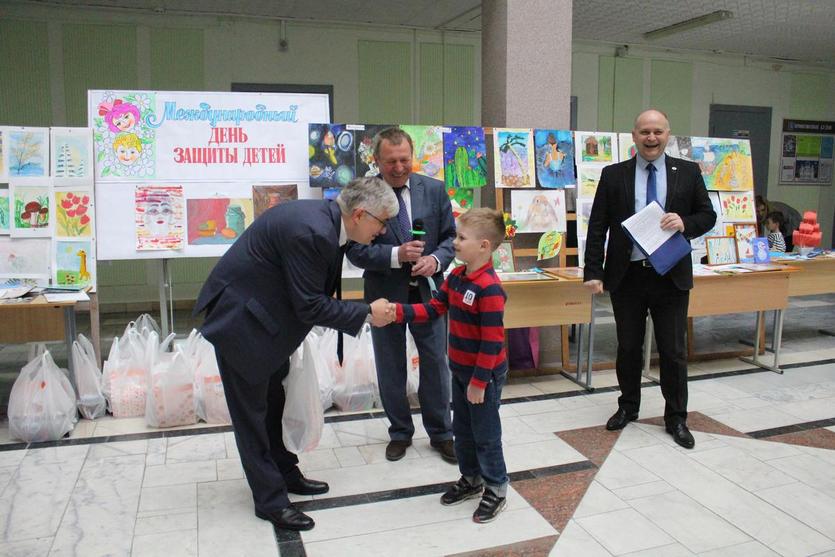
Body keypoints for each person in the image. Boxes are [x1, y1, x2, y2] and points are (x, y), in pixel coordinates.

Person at [194, 177, 398, 532]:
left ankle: (286, 473)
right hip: (243, 324)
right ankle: (270, 501)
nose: (383, 231)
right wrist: (367, 312)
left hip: (266, 321)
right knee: (252, 418)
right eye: (382, 223)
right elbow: (309, 305)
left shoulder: (328, 224)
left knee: (273, 403)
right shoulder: (313, 232)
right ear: (361, 214)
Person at [583, 109, 716, 449]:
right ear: (634, 135)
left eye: (657, 131)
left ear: (667, 134)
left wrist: (685, 222)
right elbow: (597, 225)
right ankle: (628, 407)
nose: (651, 137)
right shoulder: (613, 175)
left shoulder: (687, 172)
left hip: (670, 276)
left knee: (673, 352)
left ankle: (677, 418)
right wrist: (593, 272)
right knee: (628, 347)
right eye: (645, 131)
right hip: (627, 277)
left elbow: (707, 215)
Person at [390, 208, 509, 523]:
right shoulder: (456, 277)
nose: (454, 243)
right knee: (463, 431)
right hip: (460, 370)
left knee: (485, 434)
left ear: (484, 246)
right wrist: (397, 312)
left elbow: (492, 342)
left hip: (482, 376)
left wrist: (480, 382)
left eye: (461, 237)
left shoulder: (490, 289)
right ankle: (471, 479)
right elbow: (433, 308)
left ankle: (496, 488)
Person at [346, 127, 457, 463]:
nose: (398, 167)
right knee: (390, 365)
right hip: (384, 296)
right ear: (376, 161)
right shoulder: (363, 195)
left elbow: (451, 238)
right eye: (390, 161)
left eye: (404, 159)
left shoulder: (434, 190)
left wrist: (435, 259)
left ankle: (442, 433)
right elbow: (354, 249)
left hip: (429, 294)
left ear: (413, 157)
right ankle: (400, 432)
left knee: (436, 364)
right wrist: (397, 255)